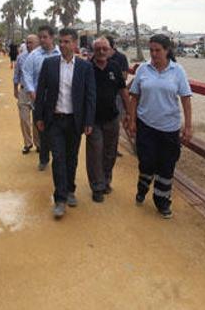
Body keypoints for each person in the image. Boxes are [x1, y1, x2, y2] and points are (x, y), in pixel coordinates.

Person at [127, 34, 193, 219]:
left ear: (167, 50)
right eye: (152, 50)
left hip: (170, 128)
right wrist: (132, 120)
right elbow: (134, 97)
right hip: (146, 125)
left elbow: (186, 99)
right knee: (146, 162)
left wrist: (188, 126)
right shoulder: (143, 69)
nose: (154, 54)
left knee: (166, 166)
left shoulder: (178, 71)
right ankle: (142, 187)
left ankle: (162, 201)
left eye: (158, 50)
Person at [34, 28, 95, 218]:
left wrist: (88, 121)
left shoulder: (85, 67)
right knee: (58, 158)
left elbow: (90, 96)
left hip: (74, 121)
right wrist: (39, 117)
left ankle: (70, 190)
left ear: (75, 44)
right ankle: (60, 199)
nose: (63, 45)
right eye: (61, 41)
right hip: (55, 120)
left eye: (67, 42)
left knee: (72, 158)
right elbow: (41, 92)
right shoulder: (49, 63)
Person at [87, 37, 131, 202]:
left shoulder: (114, 66)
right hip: (93, 120)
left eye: (105, 49)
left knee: (110, 153)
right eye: (98, 49)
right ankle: (97, 187)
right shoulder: (87, 67)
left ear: (110, 50)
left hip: (112, 117)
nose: (102, 52)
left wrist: (129, 113)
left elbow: (123, 91)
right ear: (93, 50)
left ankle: (106, 180)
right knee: (95, 153)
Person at [22, 25, 61, 170]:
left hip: (59, 100)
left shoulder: (60, 53)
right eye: (41, 37)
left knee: (57, 130)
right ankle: (44, 158)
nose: (42, 40)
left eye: (45, 37)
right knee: (43, 131)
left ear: (52, 37)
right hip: (41, 100)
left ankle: (58, 158)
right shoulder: (34, 55)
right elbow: (26, 74)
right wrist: (31, 91)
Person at [14, 34, 39, 154]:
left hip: (37, 91)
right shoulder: (21, 58)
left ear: (37, 43)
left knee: (37, 119)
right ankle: (27, 143)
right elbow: (17, 74)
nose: (29, 45)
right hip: (24, 91)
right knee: (24, 119)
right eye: (27, 42)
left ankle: (38, 143)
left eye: (31, 42)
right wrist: (15, 88)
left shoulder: (42, 57)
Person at [107, 36, 130, 156]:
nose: (103, 51)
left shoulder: (121, 58)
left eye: (107, 48)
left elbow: (125, 76)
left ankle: (113, 149)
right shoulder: (98, 56)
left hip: (117, 94)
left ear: (112, 47)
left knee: (116, 122)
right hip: (103, 95)